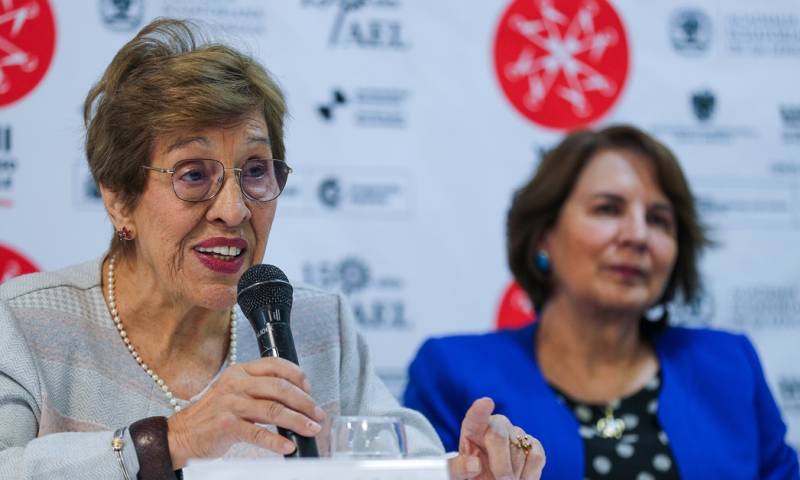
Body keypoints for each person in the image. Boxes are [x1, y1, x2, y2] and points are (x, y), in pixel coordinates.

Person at [0, 18, 545, 480]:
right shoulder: (23, 325)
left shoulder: (317, 326)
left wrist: (461, 471)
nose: (234, 210)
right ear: (119, 198)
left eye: (255, 171)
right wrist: (169, 441)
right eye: (194, 175)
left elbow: (390, 460)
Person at [404, 125, 800, 480]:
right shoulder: (452, 371)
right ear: (544, 236)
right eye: (608, 209)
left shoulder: (730, 365)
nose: (637, 235)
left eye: (660, 219)